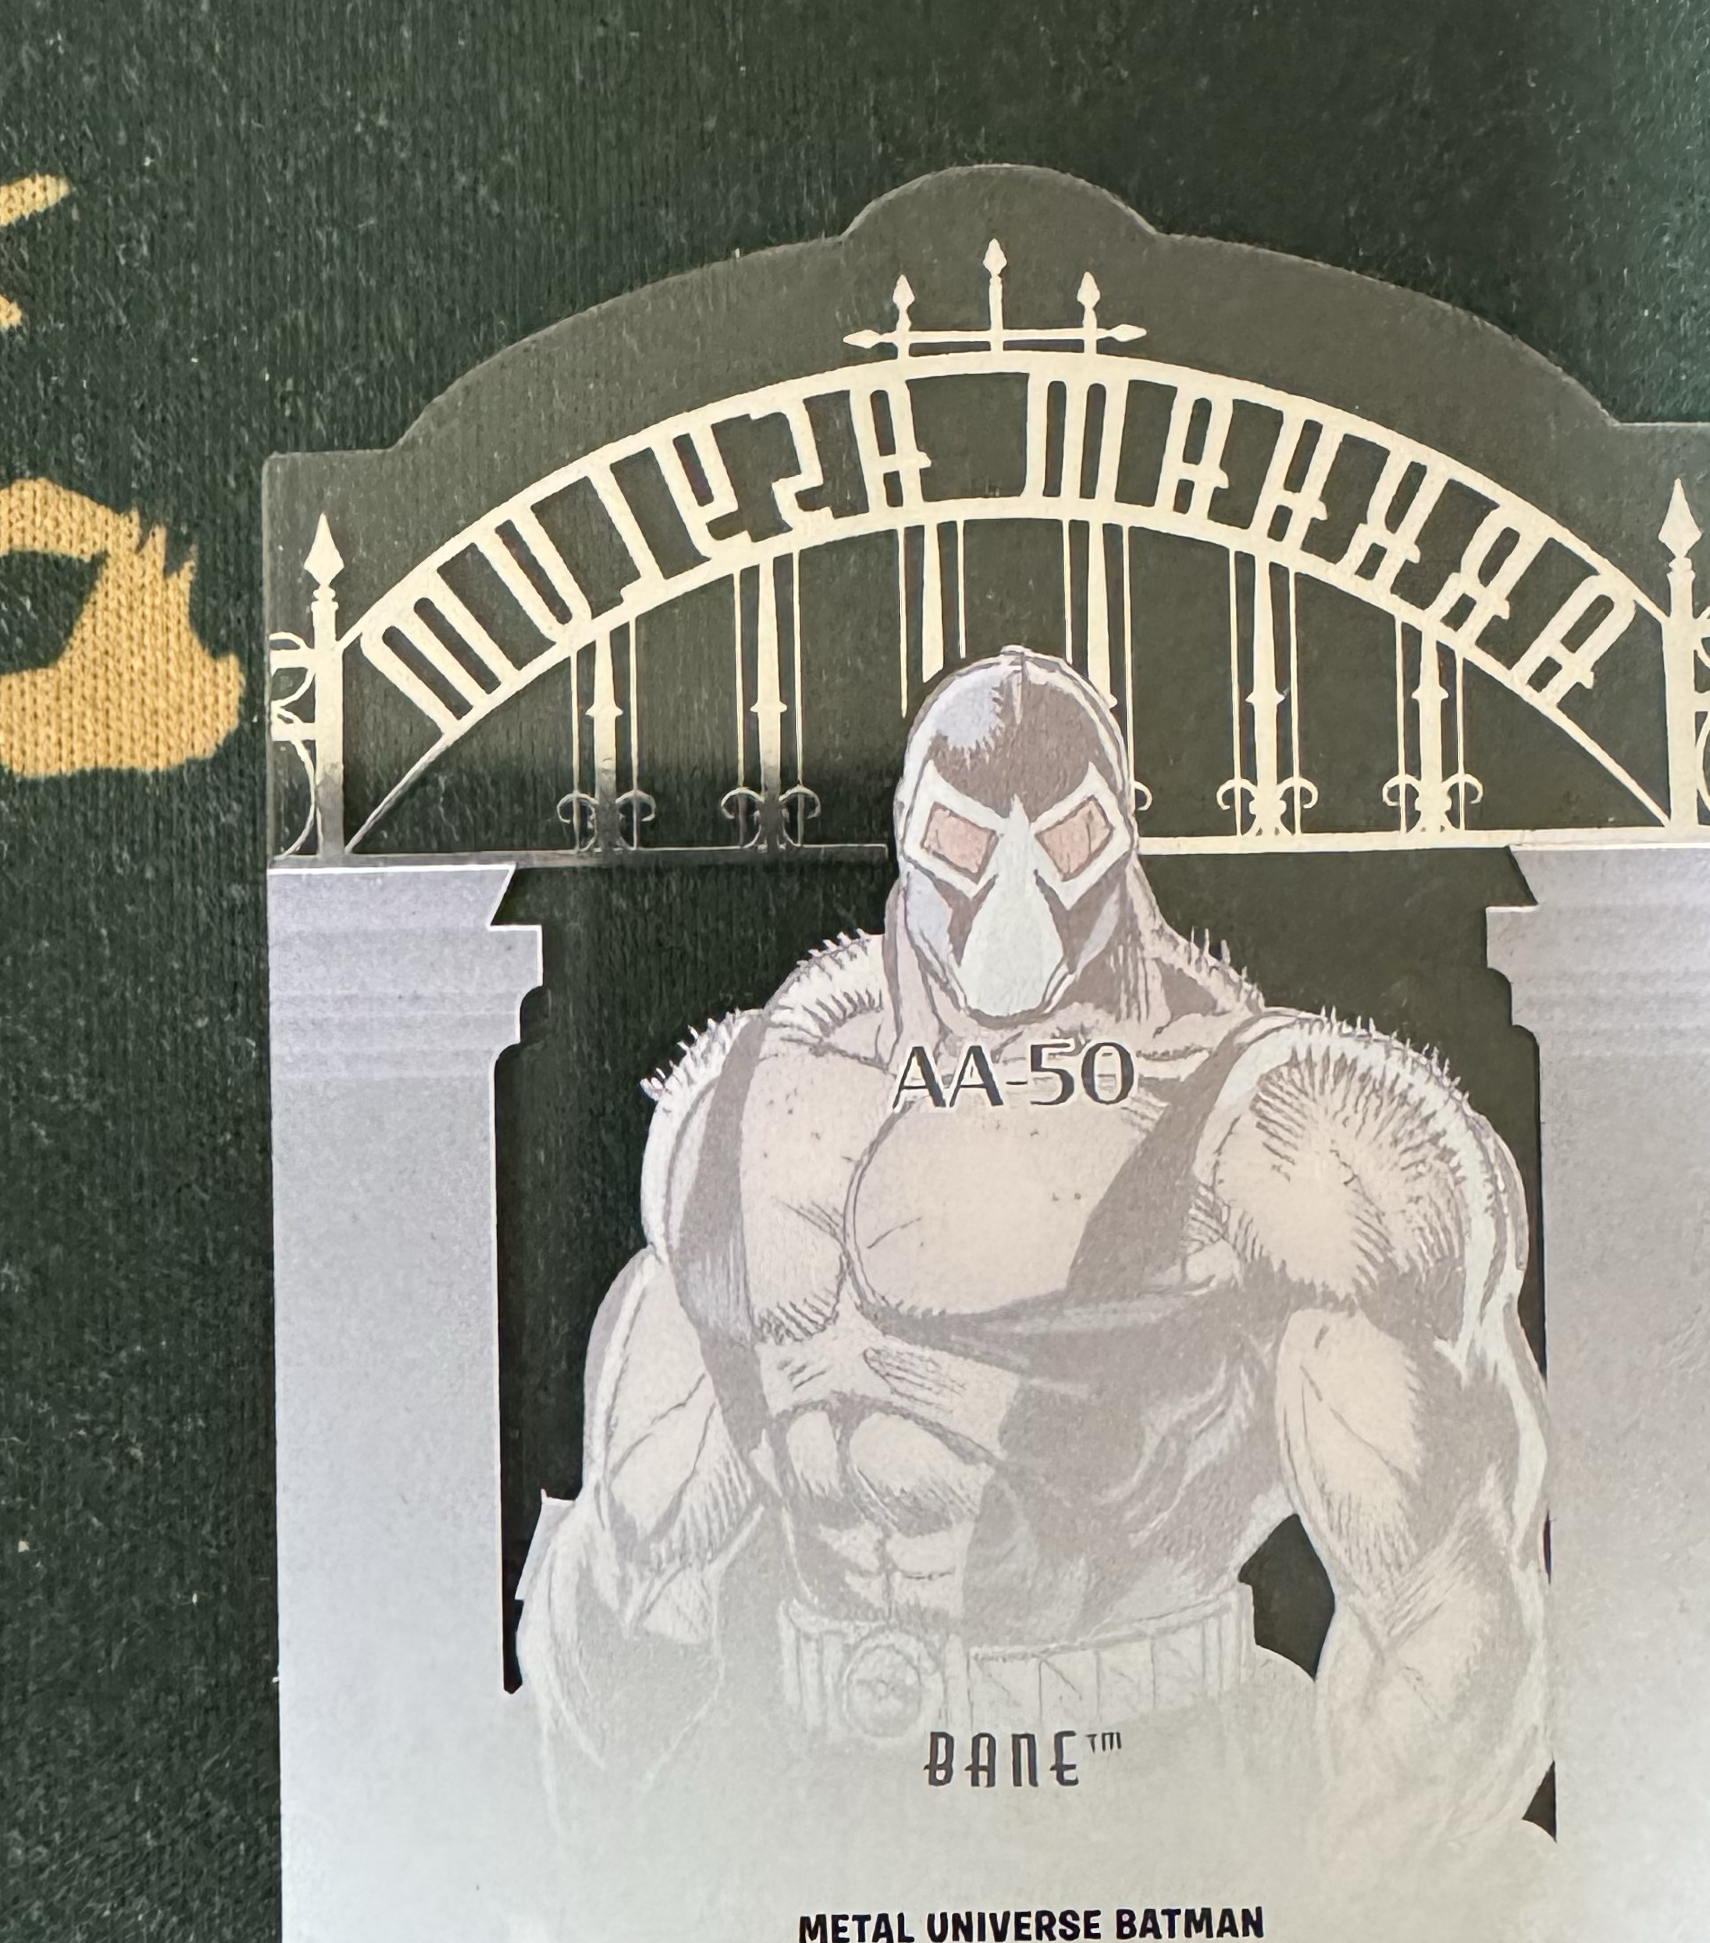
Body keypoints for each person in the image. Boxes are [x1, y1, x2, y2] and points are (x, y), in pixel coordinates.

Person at [518, 647, 1550, 1854]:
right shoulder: (751, 1101)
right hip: (819, 1805)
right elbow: (635, 1551)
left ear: (1120, 839)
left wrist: (1362, 1914)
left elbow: (1447, 1606)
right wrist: (595, 1884)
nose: (1014, 896)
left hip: (1157, 1802)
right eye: (965, 843)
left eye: (1064, 843)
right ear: (910, 833)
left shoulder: (1288, 1133)